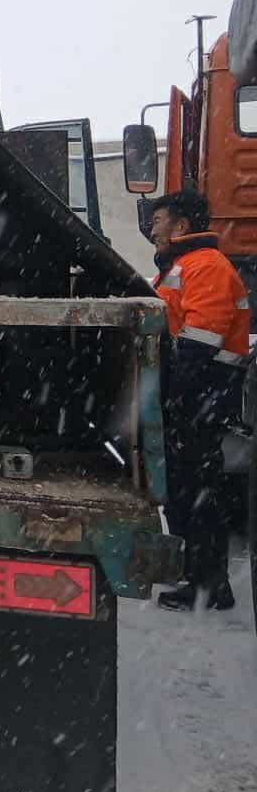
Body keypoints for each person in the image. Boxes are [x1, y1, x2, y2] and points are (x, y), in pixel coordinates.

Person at [148, 189, 252, 611]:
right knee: (186, 491)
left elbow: (198, 343)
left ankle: (209, 586)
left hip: (201, 397)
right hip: (196, 397)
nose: (152, 229)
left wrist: (175, 400)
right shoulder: (184, 266)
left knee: (197, 493)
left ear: (181, 226)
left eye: (158, 221)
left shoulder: (204, 266)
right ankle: (199, 578)